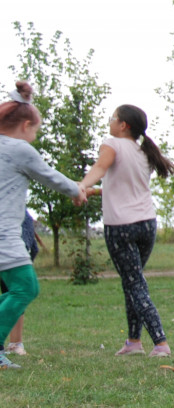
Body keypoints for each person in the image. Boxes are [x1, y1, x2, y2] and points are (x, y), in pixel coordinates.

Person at [1, 82, 86, 371]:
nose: (34, 137)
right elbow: (51, 177)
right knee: (25, 287)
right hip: (3, 236)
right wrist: (77, 191)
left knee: (16, 288)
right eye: (36, 131)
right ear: (25, 125)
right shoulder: (20, 149)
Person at [79, 105, 174, 358]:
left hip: (121, 226)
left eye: (113, 118)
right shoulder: (144, 151)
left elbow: (100, 169)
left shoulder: (111, 143)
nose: (110, 122)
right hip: (146, 224)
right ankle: (133, 342)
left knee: (135, 285)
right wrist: (94, 191)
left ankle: (160, 343)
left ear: (123, 126)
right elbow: (124, 185)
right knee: (132, 282)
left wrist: (81, 185)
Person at [3, 210, 38, 355]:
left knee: (17, 294)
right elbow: (32, 247)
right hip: (13, 256)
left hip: (13, 256)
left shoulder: (19, 212)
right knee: (18, 294)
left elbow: (30, 245)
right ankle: (15, 344)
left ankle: (15, 343)